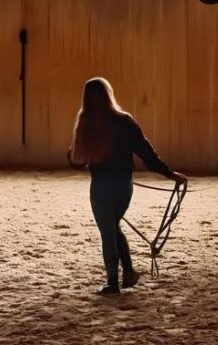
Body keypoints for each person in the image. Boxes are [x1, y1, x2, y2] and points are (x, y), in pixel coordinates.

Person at [68, 77, 187, 296]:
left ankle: (113, 282)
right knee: (113, 226)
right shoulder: (124, 121)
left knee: (108, 232)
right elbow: (146, 152)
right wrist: (168, 173)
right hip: (124, 186)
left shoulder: (86, 122)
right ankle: (129, 272)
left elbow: (75, 159)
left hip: (102, 186)